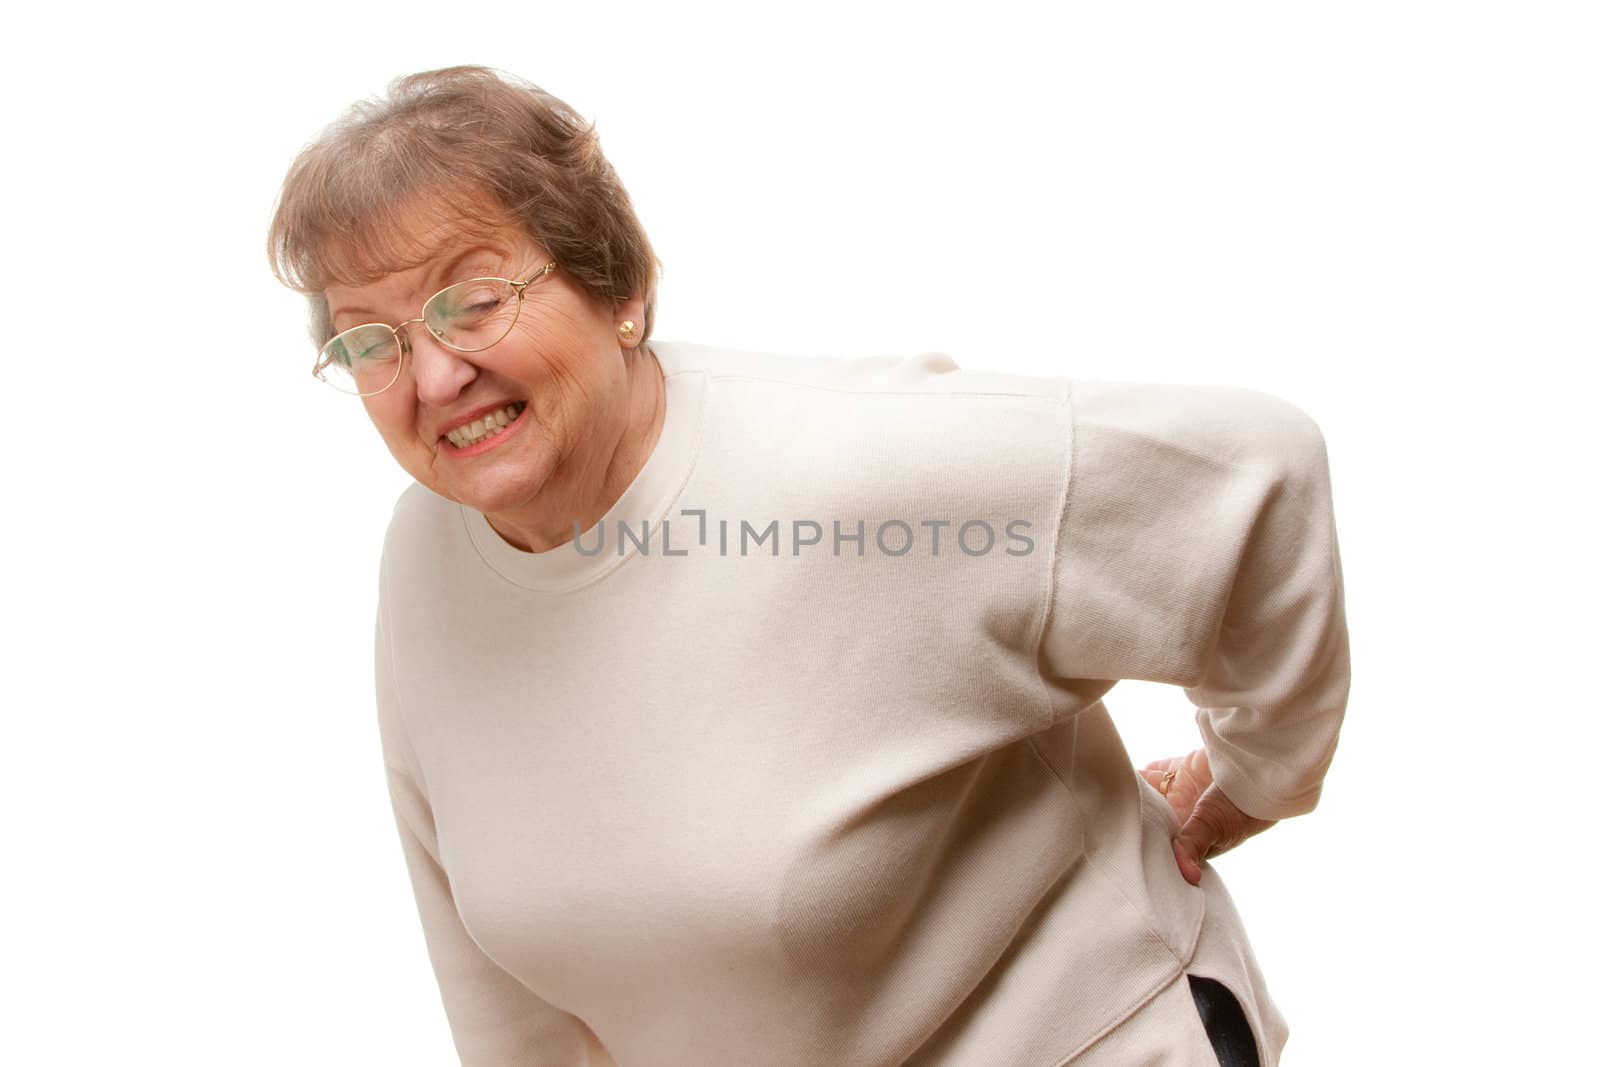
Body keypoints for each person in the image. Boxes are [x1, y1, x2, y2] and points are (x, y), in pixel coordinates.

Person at [266, 65, 1350, 1067]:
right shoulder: (426, 560)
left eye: (475, 298)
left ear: (619, 286)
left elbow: (1258, 470)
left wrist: (1253, 777)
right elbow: (492, 978)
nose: (435, 371)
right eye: (372, 340)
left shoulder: (856, 476)